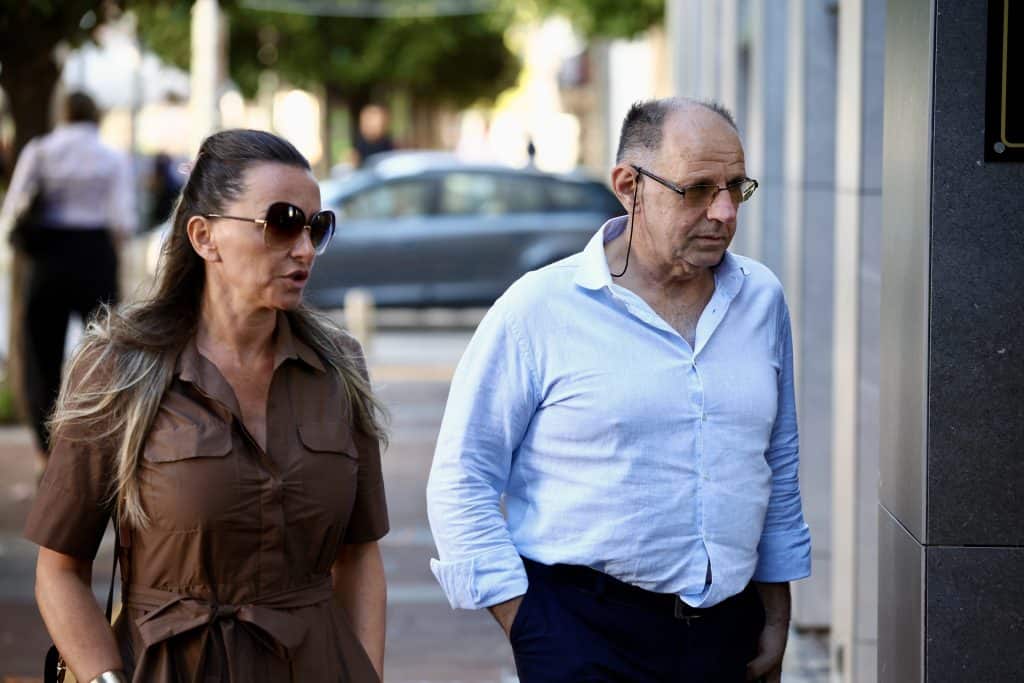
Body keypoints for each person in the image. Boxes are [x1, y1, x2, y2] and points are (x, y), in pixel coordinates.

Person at [426, 98, 811, 683]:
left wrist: (776, 612)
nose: (725, 212)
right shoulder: (539, 308)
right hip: (584, 633)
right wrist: (527, 624)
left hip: (726, 631)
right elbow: (463, 475)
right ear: (630, 186)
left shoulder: (761, 298)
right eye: (698, 190)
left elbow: (777, 463)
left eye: (736, 187)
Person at [24, 129, 389, 683]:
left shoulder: (338, 368)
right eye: (283, 222)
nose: (304, 249)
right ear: (204, 236)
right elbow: (59, 571)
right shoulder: (119, 368)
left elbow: (359, 556)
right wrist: (105, 679)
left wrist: (366, 674)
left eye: (317, 228)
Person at [0, 91, 135, 465]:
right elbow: (123, 221)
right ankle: (101, 441)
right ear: (96, 116)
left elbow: (13, 207)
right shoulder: (111, 157)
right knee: (106, 351)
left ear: (62, 113)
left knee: (41, 356)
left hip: (48, 256)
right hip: (95, 252)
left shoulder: (40, 152)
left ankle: (47, 452)